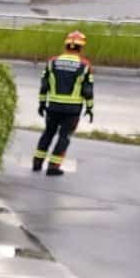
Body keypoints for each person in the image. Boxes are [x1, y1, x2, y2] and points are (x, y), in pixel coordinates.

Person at [35, 31, 94, 177]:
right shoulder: (84, 65)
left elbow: (44, 86)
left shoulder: (52, 62)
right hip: (72, 110)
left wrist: (42, 103)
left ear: (66, 45)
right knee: (64, 137)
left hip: (53, 106)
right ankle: (53, 167)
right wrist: (90, 108)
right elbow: (88, 90)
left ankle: (37, 163)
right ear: (81, 48)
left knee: (48, 133)